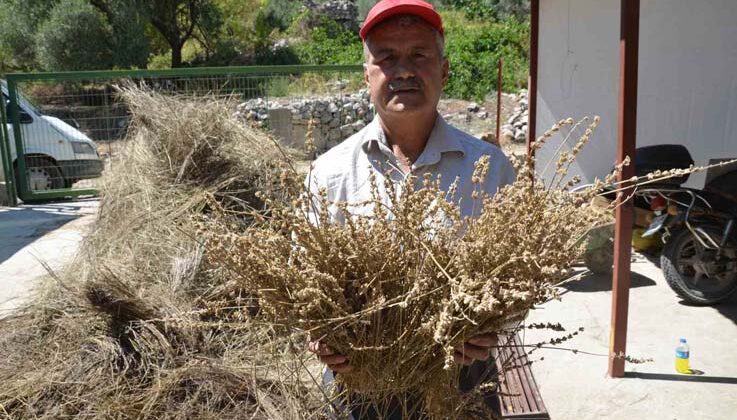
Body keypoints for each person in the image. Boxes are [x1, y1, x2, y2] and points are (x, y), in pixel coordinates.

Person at [305, 0, 516, 417]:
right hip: (359, 384)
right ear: (367, 76)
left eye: (419, 55)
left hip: (463, 379)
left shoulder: (490, 169)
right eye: (386, 58)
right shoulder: (328, 174)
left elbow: (516, 280)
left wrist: (495, 324)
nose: (403, 71)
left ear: (444, 69)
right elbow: (303, 284)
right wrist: (317, 332)